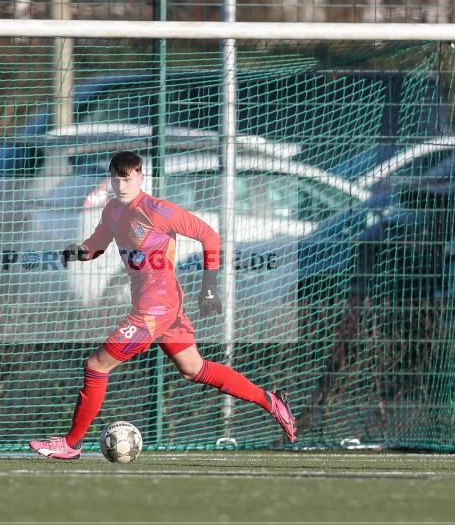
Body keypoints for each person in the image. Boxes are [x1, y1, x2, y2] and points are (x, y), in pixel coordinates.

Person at [29, 151, 297, 459]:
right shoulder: (113, 211)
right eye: (116, 178)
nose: (121, 184)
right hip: (164, 310)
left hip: (153, 312)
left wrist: (208, 287)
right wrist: (78, 251)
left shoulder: (159, 210)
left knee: (96, 366)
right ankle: (272, 402)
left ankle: (71, 444)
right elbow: (97, 244)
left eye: (127, 178)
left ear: (141, 178)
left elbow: (209, 236)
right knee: (194, 369)